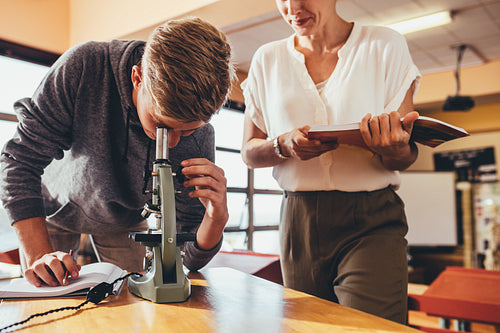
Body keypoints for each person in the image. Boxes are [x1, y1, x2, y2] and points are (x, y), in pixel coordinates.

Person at [0, 17, 234, 288]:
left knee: (133, 308)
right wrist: (40, 254)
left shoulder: (200, 131)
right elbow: (19, 162)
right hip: (53, 210)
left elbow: (186, 258)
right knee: (45, 301)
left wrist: (217, 220)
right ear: (137, 77)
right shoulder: (84, 66)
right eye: (162, 125)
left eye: (188, 131)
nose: (173, 144)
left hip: (127, 222)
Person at [241, 0, 421, 324]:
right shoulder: (266, 59)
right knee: (312, 327)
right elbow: (249, 152)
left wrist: (391, 147)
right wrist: (282, 145)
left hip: (371, 220)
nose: (293, 7)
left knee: (369, 328)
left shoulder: (384, 45)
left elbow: (403, 157)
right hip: (299, 220)